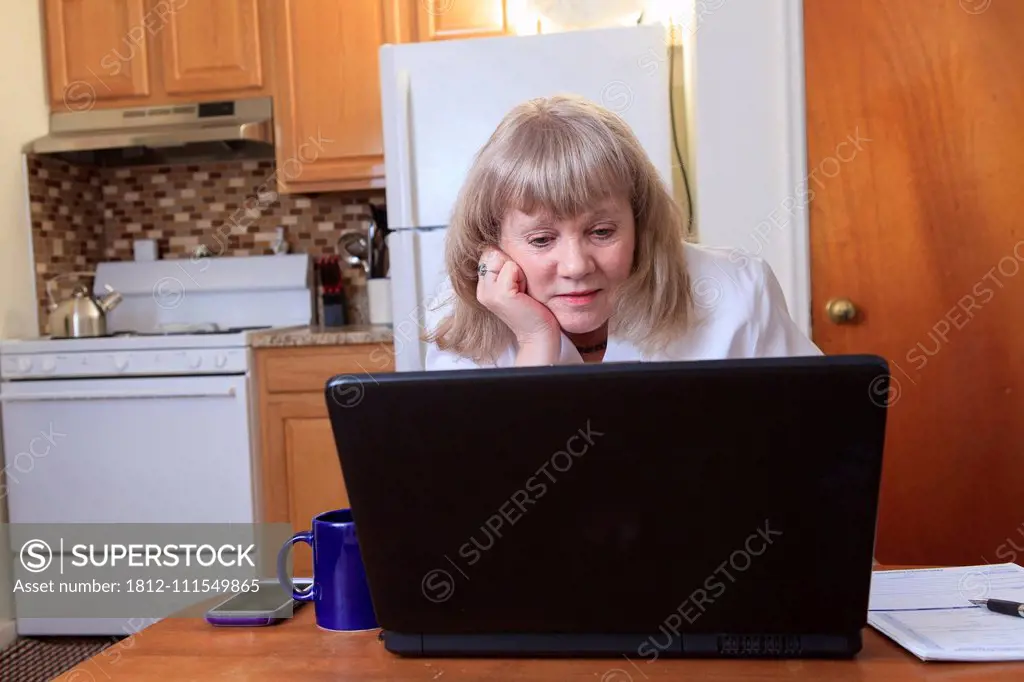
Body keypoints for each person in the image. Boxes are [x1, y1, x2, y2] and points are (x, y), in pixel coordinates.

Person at [423, 94, 821, 370]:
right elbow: (486, 483)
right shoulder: (457, 313)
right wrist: (535, 341)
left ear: (640, 222)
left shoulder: (736, 288)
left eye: (601, 231)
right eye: (542, 240)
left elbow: (819, 433)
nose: (576, 266)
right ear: (491, 244)